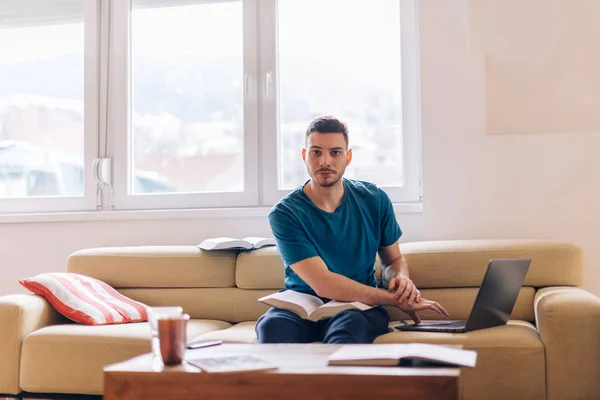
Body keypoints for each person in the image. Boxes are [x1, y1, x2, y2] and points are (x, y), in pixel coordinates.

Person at [256, 115, 449, 344]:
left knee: (349, 325)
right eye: (316, 152)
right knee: (271, 326)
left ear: (348, 157)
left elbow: (393, 260)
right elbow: (323, 283)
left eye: (335, 152)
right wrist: (392, 299)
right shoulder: (285, 213)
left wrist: (401, 279)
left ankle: (336, 380)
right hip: (303, 306)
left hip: (357, 308)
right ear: (304, 156)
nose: (324, 161)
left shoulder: (375, 199)